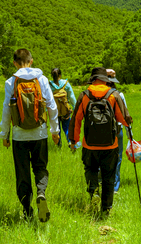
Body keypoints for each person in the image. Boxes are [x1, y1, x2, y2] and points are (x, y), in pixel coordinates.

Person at [0, 48, 60, 222]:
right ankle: (41, 193)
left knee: (22, 173)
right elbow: (52, 106)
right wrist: (55, 131)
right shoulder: (41, 79)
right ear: (31, 61)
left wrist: (5, 134)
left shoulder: (11, 82)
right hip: (40, 133)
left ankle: (27, 211)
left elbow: (6, 110)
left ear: (14, 63)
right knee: (40, 167)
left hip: (19, 136)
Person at [70, 67, 132, 218]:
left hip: (89, 145)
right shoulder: (114, 95)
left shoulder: (84, 96)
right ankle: (106, 209)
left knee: (90, 170)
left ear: (92, 79)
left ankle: (93, 193)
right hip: (110, 145)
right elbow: (124, 119)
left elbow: (76, 119)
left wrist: (73, 140)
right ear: (106, 80)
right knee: (108, 176)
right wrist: (128, 126)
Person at [106, 68, 129, 193]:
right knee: (117, 158)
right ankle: (114, 187)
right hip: (117, 131)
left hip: (101, 132)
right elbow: (125, 116)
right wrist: (129, 132)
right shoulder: (119, 94)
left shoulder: (95, 94)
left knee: (103, 156)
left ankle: (101, 181)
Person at [49, 67, 76, 148]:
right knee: (67, 128)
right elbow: (72, 97)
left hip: (54, 112)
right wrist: (75, 108)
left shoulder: (49, 85)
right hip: (65, 111)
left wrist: (47, 111)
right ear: (60, 75)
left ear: (52, 76)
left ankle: (58, 146)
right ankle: (70, 143)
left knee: (57, 130)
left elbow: (47, 99)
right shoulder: (65, 83)